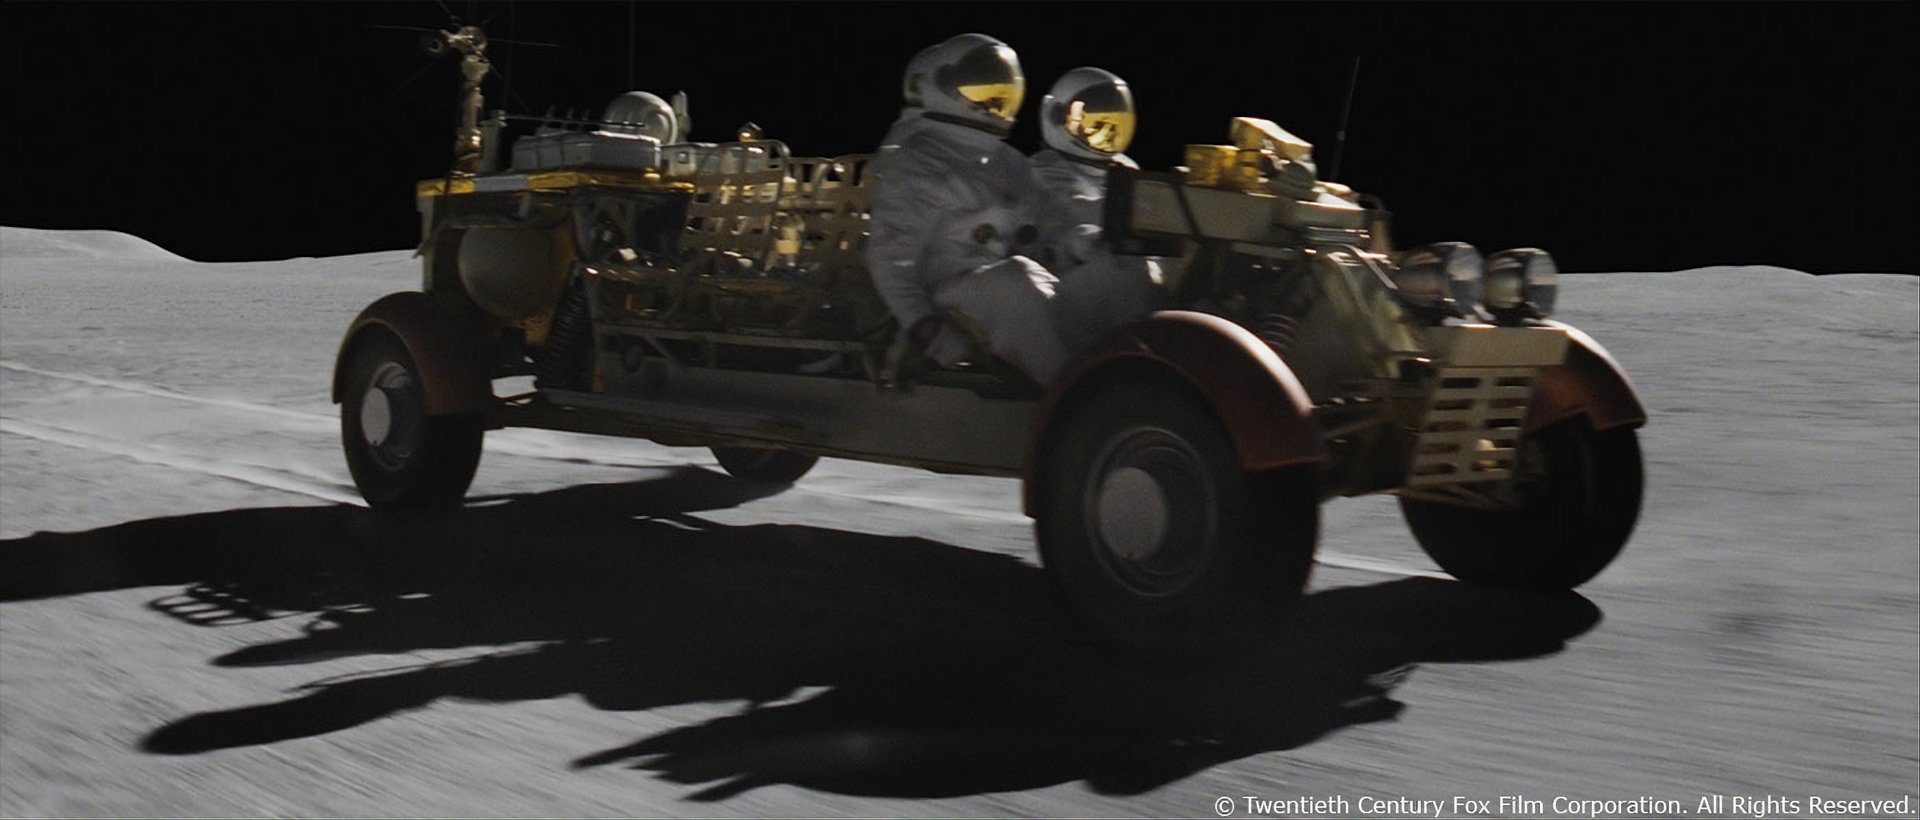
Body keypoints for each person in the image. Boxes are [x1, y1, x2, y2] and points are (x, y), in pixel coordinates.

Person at [864, 34, 1072, 384]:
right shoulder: (918, 161)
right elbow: (889, 259)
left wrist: (1077, 243)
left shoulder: (1010, 162)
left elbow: (1049, 222)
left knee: (1101, 282)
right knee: (1016, 282)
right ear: (941, 84)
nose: (993, 103)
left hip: (1003, 283)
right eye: (980, 92)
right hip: (945, 291)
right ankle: (1077, 392)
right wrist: (926, 326)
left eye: (1001, 92)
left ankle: (1123, 379)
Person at [1028, 67, 1162, 350]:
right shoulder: (1044, 170)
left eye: (1114, 126)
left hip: (1110, 286)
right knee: (1120, 268)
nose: (1106, 135)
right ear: (1057, 116)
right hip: (1060, 289)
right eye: (1095, 125)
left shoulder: (1126, 168)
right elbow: (1079, 210)